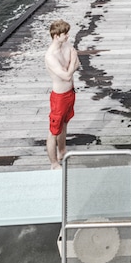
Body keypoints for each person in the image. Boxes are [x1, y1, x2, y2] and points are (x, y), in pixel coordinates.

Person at [45, 19, 80, 168]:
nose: (67, 36)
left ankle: (62, 151)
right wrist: (71, 64)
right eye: (65, 34)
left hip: (69, 93)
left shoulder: (66, 46)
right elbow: (66, 75)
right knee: (54, 131)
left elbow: (77, 64)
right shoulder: (50, 56)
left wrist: (71, 66)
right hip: (59, 97)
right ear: (56, 36)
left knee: (64, 124)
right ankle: (54, 163)